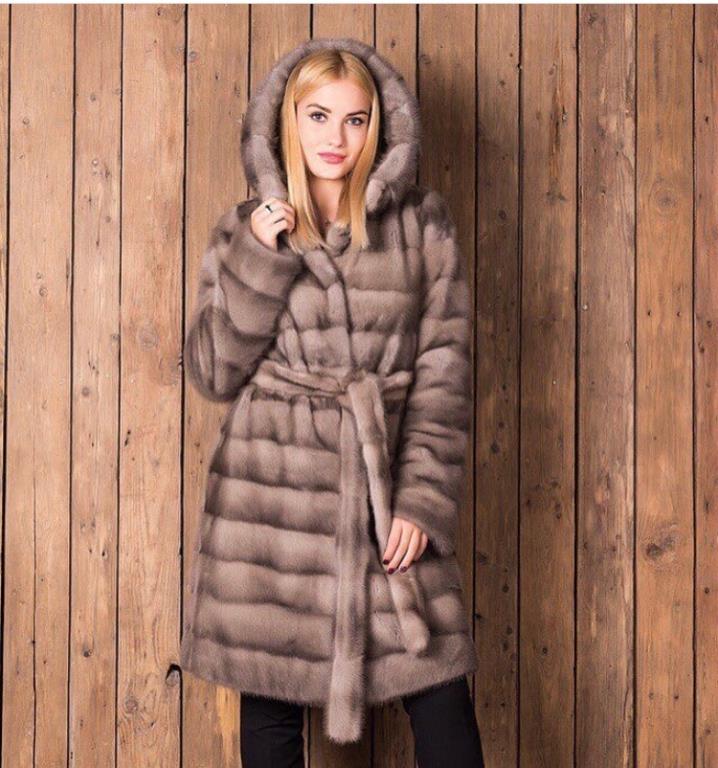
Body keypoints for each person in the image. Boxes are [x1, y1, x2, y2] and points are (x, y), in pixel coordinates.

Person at [179, 37, 485, 767]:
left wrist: (421, 500)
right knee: (271, 707)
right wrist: (259, 257)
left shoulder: (421, 225)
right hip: (271, 508)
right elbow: (213, 372)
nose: (335, 138)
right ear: (287, 120)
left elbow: (444, 373)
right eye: (317, 116)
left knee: (441, 700)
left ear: (379, 127)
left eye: (355, 119)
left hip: (382, 491)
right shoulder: (245, 229)